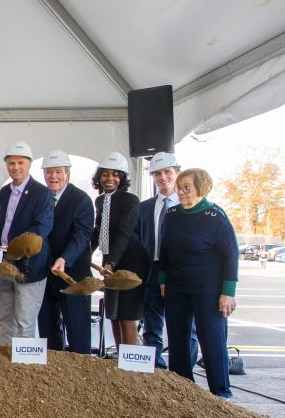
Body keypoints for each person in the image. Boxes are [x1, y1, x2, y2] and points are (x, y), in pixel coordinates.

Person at [159, 168, 237, 399]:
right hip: (176, 286)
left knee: (211, 338)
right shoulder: (172, 215)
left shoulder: (216, 217)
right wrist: (163, 280)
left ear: (201, 189)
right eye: (179, 187)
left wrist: (227, 292)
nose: (181, 193)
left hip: (208, 288)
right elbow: (165, 250)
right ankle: (182, 388)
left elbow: (230, 255)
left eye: (187, 188)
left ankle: (220, 391)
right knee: (178, 339)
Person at [136, 151, 198, 369]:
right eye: (157, 174)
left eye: (167, 172)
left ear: (177, 173)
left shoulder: (189, 207)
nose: (162, 177)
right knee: (152, 325)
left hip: (179, 274)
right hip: (152, 272)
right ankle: (156, 371)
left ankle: (184, 375)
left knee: (185, 327)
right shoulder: (143, 208)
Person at [0, 141, 53, 343]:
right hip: (7, 262)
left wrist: (18, 245)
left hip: (30, 265)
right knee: (5, 318)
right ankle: (5, 360)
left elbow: (42, 227)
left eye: (20, 163)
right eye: (11, 163)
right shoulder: (5, 192)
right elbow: (4, 220)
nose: (15, 167)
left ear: (29, 165)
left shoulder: (41, 193)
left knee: (24, 322)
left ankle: (22, 367)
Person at [36, 149, 94, 354]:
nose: (53, 177)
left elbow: (82, 236)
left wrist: (64, 259)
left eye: (58, 171)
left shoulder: (81, 200)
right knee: (48, 331)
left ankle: (83, 376)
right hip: (44, 275)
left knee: (78, 332)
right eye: (49, 172)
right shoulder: (40, 197)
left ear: (67, 173)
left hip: (72, 277)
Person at [91, 151, 149, 349]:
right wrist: (84, 254)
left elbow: (124, 233)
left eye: (115, 175)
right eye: (105, 174)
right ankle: (119, 357)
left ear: (122, 178)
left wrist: (111, 262)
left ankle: (129, 361)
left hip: (130, 262)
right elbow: (98, 232)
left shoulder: (131, 201)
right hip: (110, 262)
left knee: (127, 314)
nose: (109, 179)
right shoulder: (100, 201)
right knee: (113, 313)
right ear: (99, 177)